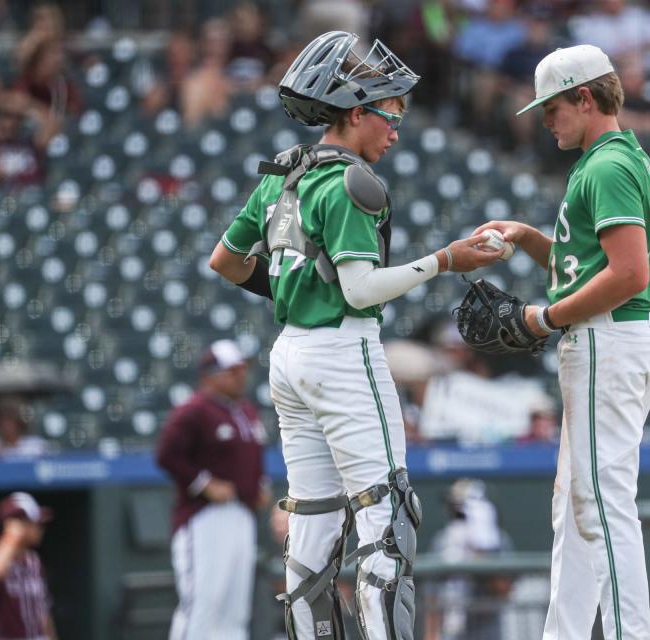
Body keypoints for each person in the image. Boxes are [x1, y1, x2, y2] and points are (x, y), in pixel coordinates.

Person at [208, 30, 500, 640]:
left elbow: (226, 262)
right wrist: (447, 259)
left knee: (312, 517)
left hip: (289, 355)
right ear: (356, 111)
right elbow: (362, 291)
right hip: (343, 350)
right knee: (385, 516)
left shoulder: (280, 174)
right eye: (391, 113)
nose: (397, 128)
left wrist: (295, 288)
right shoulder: (352, 182)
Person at [475, 44, 650, 640]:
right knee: (577, 508)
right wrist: (531, 238)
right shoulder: (613, 158)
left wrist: (543, 318)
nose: (544, 119)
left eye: (552, 107)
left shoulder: (606, 165)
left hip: (607, 340)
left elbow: (630, 274)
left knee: (602, 508)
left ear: (585, 97)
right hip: (614, 338)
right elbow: (588, 266)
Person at [156, 339, 271, 640]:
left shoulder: (246, 410)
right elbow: (166, 455)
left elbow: (252, 456)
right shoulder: (194, 410)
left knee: (235, 609)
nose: (241, 375)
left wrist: (260, 484)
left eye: (242, 369)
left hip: (242, 513)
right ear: (210, 374)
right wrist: (204, 483)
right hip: (204, 516)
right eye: (233, 371)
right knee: (203, 603)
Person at [425, 479, 514, 640]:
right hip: (451, 634)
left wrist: (481, 550)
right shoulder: (443, 540)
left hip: (488, 633)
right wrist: (431, 635)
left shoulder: (498, 540)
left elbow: (504, 591)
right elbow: (433, 596)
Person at [0, 492, 57, 640]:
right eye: (34, 523)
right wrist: (12, 536)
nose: (40, 529)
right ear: (15, 525)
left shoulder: (34, 561)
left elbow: (44, 613)